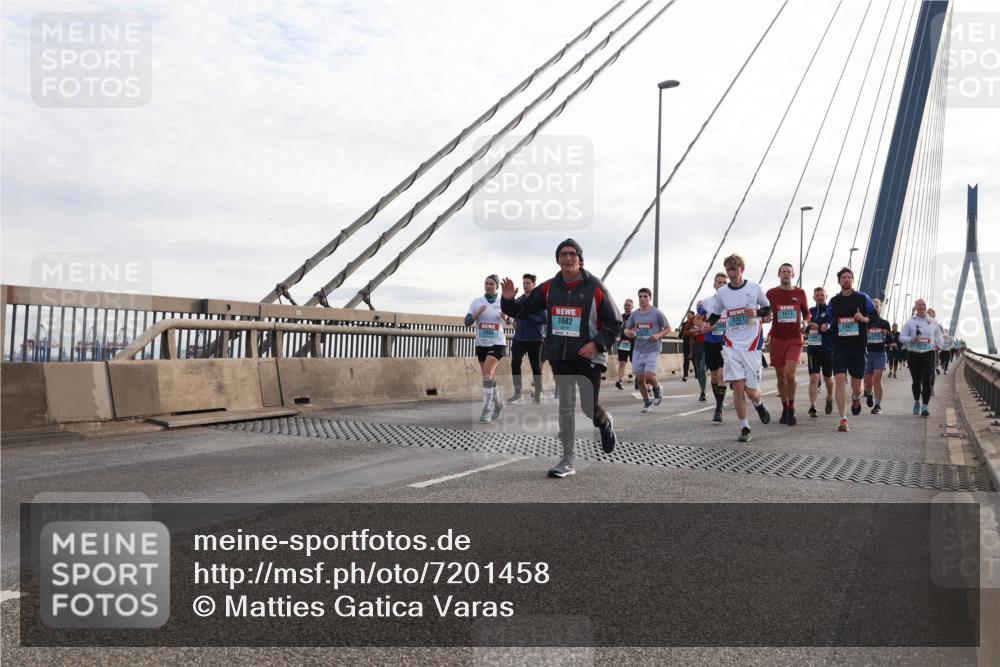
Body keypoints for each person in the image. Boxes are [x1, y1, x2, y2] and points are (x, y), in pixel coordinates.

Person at [500, 239, 622, 479]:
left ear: (580, 259)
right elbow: (521, 311)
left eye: (572, 254)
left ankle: (604, 422)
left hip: (588, 355)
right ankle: (568, 459)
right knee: (565, 407)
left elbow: (615, 323)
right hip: (561, 356)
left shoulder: (595, 287)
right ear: (557, 259)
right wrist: (507, 300)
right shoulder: (548, 288)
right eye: (563, 254)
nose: (568, 258)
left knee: (588, 407)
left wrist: (596, 344)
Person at [701, 254, 772, 443]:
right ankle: (745, 427)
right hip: (731, 344)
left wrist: (756, 312)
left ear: (742, 269)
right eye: (728, 270)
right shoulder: (723, 292)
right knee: (738, 387)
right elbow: (715, 315)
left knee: (751, 391)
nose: (731, 274)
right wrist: (706, 326)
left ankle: (758, 402)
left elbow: (768, 310)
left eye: (734, 269)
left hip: (752, 344)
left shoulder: (754, 287)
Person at [827, 267, 877, 432]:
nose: (846, 279)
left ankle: (856, 397)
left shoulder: (863, 298)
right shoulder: (833, 302)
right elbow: (830, 322)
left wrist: (862, 318)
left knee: (857, 386)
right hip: (840, 346)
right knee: (840, 380)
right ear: (839, 281)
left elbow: (874, 318)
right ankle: (843, 419)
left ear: (852, 280)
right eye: (843, 277)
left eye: (849, 277)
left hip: (858, 346)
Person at [766, 263, 810, 425]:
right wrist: (765, 317)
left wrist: (805, 323)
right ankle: (784, 407)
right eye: (783, 271)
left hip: (794, 339)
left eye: (788, 272)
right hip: (777, 339)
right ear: (779, 274)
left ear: (793, 275)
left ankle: (791, 408)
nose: (786, 274)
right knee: (781, 376)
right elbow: (765, 311)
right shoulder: (771, 293)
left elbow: (807, 313)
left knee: (790, 374)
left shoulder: (799, 293)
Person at [465, 274, 507, 422]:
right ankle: (499, 405)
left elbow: (510, 322)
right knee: (489, 376)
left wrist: (506, 318)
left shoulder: (503, 302)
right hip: (481, 343)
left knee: (488, 372)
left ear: (496, 286)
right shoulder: (477, 302)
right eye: (486, 283)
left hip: (498, 343)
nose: (488, 286)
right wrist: (477, 314)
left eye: (491, 284)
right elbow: (467, 322)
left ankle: (486, 409)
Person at [624, 288, 672, 413]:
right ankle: (647, 403)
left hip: (653, 349)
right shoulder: (635, 314)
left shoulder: (657, 313)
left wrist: (658, 335)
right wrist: (628, 332)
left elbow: (668, 329)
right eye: (640, 296)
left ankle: (657, 388)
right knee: (640, 379)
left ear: (650, 298)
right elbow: (626, 329)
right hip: (639, 349)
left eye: (645, 296)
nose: (643, 299)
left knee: (649, 375)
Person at [692, 272, 730, 422]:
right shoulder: (707, 302)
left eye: (724, 283)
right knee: (714, 377)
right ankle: (718, 402)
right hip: (710, 343)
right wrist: (706, 325)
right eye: (718, 283)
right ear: (714, 285)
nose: (721, 285)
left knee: (721, 375)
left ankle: (718, 408)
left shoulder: (732, 302)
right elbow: (696, 320)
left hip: (727, 342)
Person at [899, 299, 944, 417]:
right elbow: (901, 337)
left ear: (926, 307)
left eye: (924, 305)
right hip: (914, 354)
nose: (922, 306)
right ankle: (917, 402)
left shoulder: (933, 322)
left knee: (927, 380)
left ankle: (925, 406)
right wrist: (911, 339)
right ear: (916, 307)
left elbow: (939, 336)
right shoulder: (910, 323)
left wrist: (938, 345)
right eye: (919, 305)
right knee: (916, 380)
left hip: (929, 353)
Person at [508, 273, 545, 404]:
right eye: (524, 283)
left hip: (535, 339)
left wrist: (530, 318)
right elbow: (515, 313)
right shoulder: (519, 300)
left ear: (534, 285)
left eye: (528, 283)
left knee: (535, 367)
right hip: (519, 338)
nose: (525, 285)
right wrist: (514, 321)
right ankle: (518, 393)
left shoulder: (539, 301)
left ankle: (539, 393)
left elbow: (544, 319)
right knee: (515, 363)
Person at [807, 287, 835, 418]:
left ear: (826, 296)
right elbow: (805, 327)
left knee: (828, 379)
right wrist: (807, 328)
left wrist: (825, 326)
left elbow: (833, 325)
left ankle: (829, 398)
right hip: (813, 349)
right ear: (814, 298)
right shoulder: (810, 312)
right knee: (814, 378)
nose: (819, 297)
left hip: (827, 349)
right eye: (817, 295)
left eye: (822, 295)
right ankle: (813, 406)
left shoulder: (830, 311)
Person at [863, 299, 891, 414]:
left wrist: (888, 336)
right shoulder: (865, 322)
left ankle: (878, 405)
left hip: (880, 353)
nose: (875, 307)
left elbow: (890, 339)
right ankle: (869, 394)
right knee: (868, 380)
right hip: (867, 354)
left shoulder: (885, 323)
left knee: (877, 379)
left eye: (877, 306)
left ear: (880, 307)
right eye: (872, 306)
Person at [686, 303, 708, 401]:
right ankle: (702, 391)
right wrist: (692, 331)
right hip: (696, 346)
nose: (700, 308)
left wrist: (706, 329)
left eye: (702, 306)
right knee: (699, 371)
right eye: (698, 307)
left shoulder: (710, 317)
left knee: (702, 369)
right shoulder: (692, 319)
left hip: (707, 346)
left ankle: (703, 392)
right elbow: (684, 332)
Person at [615, 299, 636, 391]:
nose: (627, 306)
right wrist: (617, 338)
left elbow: (637, 330)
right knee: (622, 363)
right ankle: (619, 381)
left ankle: (638, 381)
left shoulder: (635, 317)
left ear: (632, 307)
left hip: (633, 343)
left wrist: (631, 338)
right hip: (623, 343)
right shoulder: (620, 317)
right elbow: (616, 329)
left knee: (635, 363)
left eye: (629, 305)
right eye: (625, 305)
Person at [680, 310, 694, 381]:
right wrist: (682, 335)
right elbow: (681, 334)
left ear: (693, 316)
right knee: (686, 359)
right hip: (686, 343)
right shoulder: (684, 324)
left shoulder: (695, 322)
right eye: (687, 316)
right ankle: (685, 374)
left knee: (695, 359)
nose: (688, 317)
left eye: (690, 315)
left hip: (694, 343)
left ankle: (697, 373)